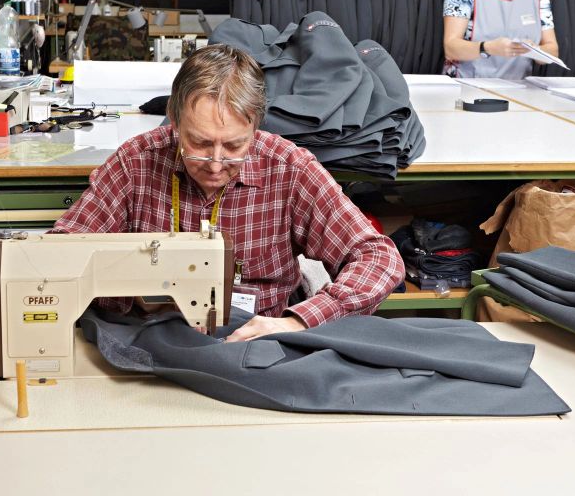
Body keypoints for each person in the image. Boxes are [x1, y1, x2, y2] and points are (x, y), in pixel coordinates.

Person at [53, 44, 404, 342]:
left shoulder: (288, 169)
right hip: (147, 338)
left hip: (257, 341)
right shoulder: (136, 163)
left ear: (255, 126)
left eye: (234, 145)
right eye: (200, 143)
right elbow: (60, 251)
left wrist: (297, 321)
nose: (216, 163)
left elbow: (379, 258)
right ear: (174, 122)